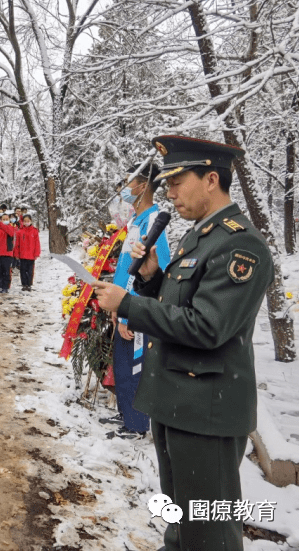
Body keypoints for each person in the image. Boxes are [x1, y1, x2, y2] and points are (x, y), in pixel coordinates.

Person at [93, 136, 273, 551]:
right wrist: (154, 279)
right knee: (181, 515)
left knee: (208, 531)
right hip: (179, 400)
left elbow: (208, 326)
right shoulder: (200, 236)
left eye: (177, 182)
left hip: (205, 409)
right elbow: (181, 304)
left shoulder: (238, 244)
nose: (169, 193)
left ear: (212, 179)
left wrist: (130, 305)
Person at [106, 163, 171, 440]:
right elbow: (126, 267)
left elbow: (156, 274)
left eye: (128, 183)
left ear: (143, 185)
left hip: (135, 311)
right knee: (122, 363)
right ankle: (125, 412)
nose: (124, 189)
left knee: (134, 368)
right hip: (123, 306)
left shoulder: (155, 224)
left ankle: (135, 425)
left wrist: (129, 314)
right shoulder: (136, 221)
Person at [15, 214, 40, 291]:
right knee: (23, 270)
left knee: (30, 270)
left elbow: (37, 243)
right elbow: (17, 244)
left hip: (31, 255)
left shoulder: (34, 231)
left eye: (28, 221)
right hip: (22, 255)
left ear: (31, 221)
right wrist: (16, 253)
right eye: (25, 221)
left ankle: (29, 284)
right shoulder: (20, 231)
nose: (26, 222)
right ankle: (24, 284)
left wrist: (37, 253)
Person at [0, 212, 16, 293]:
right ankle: (0, 286)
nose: (5, 221)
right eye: (3, 219)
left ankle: (6, 286)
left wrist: (0, 225)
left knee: (6, 271)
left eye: (6, 219)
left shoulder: (11, 227)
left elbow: (10, 232)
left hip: (7, 253)